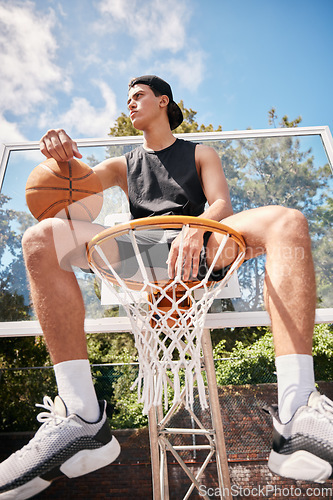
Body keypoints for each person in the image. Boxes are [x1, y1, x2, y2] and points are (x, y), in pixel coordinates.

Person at [0, 75, 332, 498]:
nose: (130, 104)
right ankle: (81, 417)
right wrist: (60, 154)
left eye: (137, 96)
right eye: (127, 99)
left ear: (163, 102)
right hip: (148, 252)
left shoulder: (199, 152)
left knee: (288, 221)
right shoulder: (124, 164)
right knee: (40, 238)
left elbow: (221, 205)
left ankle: (297, 409)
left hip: (203, 244)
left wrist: (199, 226)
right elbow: (74, 188)